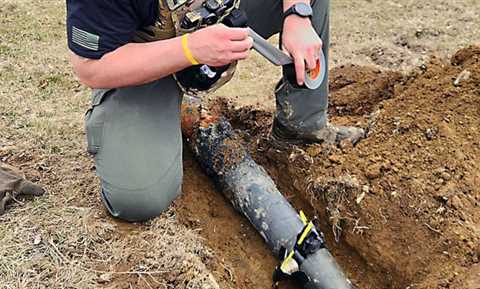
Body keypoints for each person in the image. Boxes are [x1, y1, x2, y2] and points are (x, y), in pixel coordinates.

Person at [66, 0, 364, 222]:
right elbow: (91, 67)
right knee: (139, 198)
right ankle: (172, 108)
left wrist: (298, 14)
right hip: (145, 54)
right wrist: (188, 51)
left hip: (215, 18)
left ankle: (301, 124)